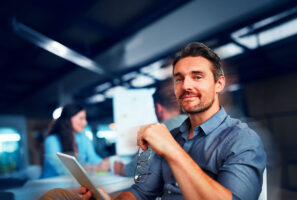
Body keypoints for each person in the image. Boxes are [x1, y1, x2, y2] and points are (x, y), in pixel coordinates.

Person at [41, 42, 266, 200]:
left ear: (219, 84)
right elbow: (140, 191)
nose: (186, 85)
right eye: (179, 79)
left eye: (197, 76)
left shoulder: (242, 139)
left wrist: (172, 150)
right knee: (53, 197)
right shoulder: (170, 137)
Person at [113, 78, 187, 176]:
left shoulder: (160, 131)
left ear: (158, 108)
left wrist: (120, 169)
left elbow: (138, 168)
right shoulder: (194, 123)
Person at [42, 102, 110, 178]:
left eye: (85, 119)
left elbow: (93, 158)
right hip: (52, 185)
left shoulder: (82, 137)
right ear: (68, 119)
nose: (85, 122)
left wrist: (107, 163)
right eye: (81, 118)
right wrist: (93, 168)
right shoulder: (51, 141)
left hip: (73, 182)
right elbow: (61, 170)